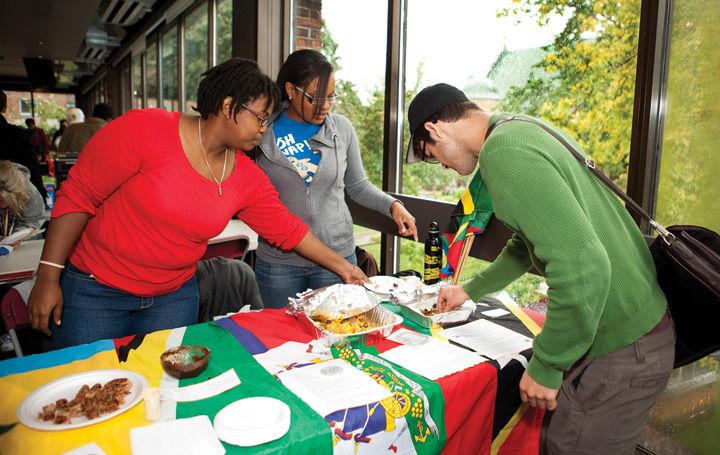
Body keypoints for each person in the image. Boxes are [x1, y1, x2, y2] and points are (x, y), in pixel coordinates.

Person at [27, 58, 368, 351]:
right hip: (95, 290)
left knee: (162, 396)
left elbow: (289, 230)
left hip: (172, 298)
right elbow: (79, 195)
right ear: (228, 106)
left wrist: (345, 267)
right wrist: (47, 277)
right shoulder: (144, 129)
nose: (265, 130)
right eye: (262, 118)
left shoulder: (244, 176)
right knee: (86, 391)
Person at [406, 83, 674, 454]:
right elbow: (528, 242)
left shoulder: (503, 153)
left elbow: (583, 268)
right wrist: (470, 290)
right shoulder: (522, 128)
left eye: (432, 154)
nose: (446, 166)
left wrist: (547, 364)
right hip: (632, 331)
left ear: (435, 129)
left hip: (623, 345)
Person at [255, 49, 418, 308]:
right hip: (279, 263)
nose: (325, 106)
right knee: (283, 342)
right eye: (315, 98)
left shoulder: (341, 129)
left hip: (337, 258)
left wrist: (392, 205)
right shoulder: (261, 130)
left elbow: (358, 185)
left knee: (339, 337)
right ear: (290, 89)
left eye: (331, 97)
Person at [0, 91, 47, 200]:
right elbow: (32, 166)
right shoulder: (18, 134)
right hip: (13, 195)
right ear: (5, 108)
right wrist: (40, 192)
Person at [0, 160, 45, 244]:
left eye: (8, 201)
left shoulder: (27, 190)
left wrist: (17, 235)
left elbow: (34, 219)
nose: (2, 206)